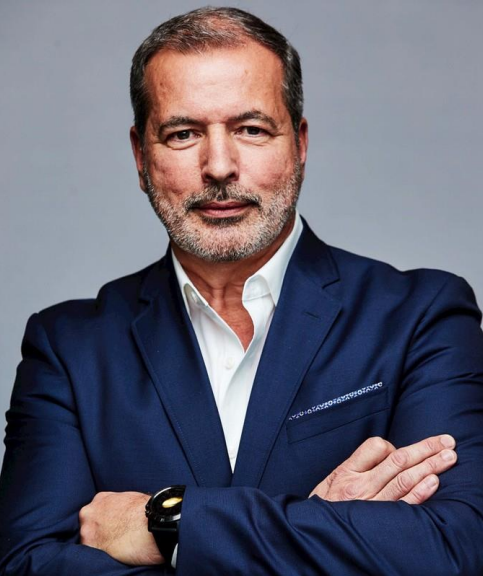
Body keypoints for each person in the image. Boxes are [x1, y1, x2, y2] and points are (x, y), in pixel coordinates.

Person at [1, 6, 483, 575]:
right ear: (140, 156)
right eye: (183, 134)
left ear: (299, 143)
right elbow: (27, 565)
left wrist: (170, 522)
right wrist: (321, 530)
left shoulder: (421, 318)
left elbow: (455, 549)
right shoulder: (68, 348)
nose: (219, 166)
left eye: (251, 129)